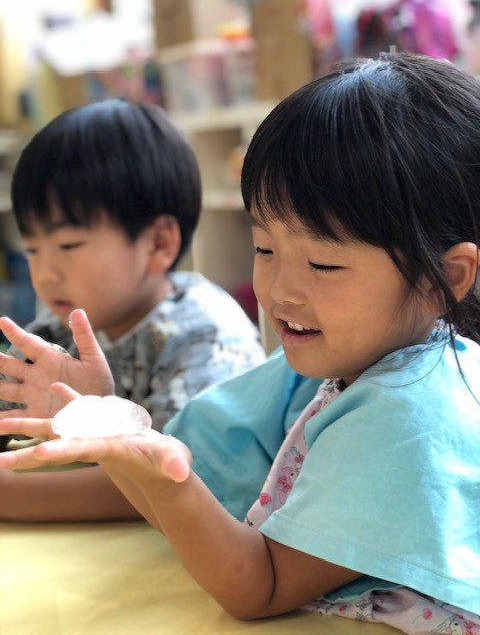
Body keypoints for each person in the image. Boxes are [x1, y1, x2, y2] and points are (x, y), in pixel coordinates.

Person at [0, 52, 479, 634]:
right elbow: (189, 485)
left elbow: (260, 586)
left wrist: (150, 465)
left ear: (441, 279)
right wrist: (108, 425)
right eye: (265, 249)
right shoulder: (334, 361)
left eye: (323, 264)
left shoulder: (409, 417)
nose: (279, 291)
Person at [0, 99, 266, 522]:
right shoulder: (60, 328)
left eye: (68, 245)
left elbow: (175, 478)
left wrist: (11, 495)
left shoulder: (205, 333)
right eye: (32, 248)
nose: (45, 273)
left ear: (158, 243)